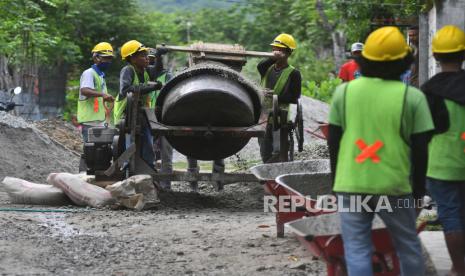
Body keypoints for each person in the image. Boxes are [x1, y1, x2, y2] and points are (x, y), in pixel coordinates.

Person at [328, 26, 434, 276]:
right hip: (395, 186)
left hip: (351, 184)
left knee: (356, 248)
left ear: (363, 59)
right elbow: (421, 151)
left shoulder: (344, 93)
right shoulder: (413, 97)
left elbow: (334, 143)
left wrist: (335, 184)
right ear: (405, 61)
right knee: (407, 246)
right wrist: (419, 193)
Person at [421, 25, 465, 276]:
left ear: (435, 56)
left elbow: (423, 133)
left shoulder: (428, 90)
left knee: (450, 215)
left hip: (441, 165)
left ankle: (459, 268)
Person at [114, 40, 162, 168]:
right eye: (143, 56)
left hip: (142, 114)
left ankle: (147, 169)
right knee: (130, 147)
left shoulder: (146, 71)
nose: (147, 58)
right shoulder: (128, 70)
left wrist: (159, 56)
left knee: (147, 144)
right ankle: (127, 172)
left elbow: (158, 70)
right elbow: (125, 90)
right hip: (127, 116)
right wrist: (149, 87)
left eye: (147, 55)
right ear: (133, 58)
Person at [257, 33, 301, 163]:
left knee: (278, 150)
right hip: (264, 115)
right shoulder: (267, 68)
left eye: (279, 49)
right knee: (265, 149)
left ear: (288, 52)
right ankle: (268, 173)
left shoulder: (294, 73)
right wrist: (272, 58)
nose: (275, 52)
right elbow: (260, 66)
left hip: (281, 116)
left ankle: (278, 173)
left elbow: (294, 97)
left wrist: (275, 96)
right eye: (274, 49)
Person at [78, 42, 115, 171]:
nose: (108, 61)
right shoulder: (89, 73)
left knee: (100, 151)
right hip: (89, 121)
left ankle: (95, 177)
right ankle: (84, 178)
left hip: (98, 121)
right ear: (96, 57)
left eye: (110, 58)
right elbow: (85, 90)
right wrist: (102, 94)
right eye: (105, 58)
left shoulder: (100, 76)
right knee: (90, 152)